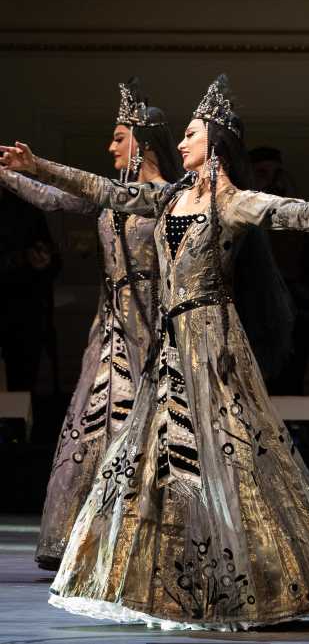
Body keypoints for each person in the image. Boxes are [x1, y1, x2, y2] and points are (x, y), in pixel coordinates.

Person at [0, 75, 309, 630]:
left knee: (231, 456)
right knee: (152, 460)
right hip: (169, 344)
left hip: (213, 343)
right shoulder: (167, 196)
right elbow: (101, 190)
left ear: (215, 147)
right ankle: (166, 580)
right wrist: (36, 166)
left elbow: (288, 213)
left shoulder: (232, 202)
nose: (182, 142)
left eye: (192, 134)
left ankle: (256, 578)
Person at [1, 78, 183, 570]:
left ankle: (144, 538)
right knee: (90, 427)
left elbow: (88, 187)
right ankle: (78, 539)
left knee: (150, 430)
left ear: (144, 143)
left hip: (157, 328)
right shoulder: (109, 194)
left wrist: (37, 164)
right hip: (110, 330)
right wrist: (8, 175)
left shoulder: (170, 197)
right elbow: (54, 198)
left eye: (119, 138)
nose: (110, 147)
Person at [249, 146, 309, 396]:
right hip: (249, 313)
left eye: (276, 174)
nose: (272, 181)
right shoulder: (239, 216)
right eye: (262, 174)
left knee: (301, 334)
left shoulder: (300, 221)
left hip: (291, 312)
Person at [0, 180, 59, 394]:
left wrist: (44, 259)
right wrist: (20, 259)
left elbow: (53, 259)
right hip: (15, 304)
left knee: (22, 385)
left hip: (24, 313)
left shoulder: (24, 208)